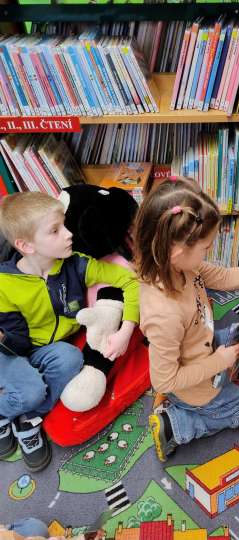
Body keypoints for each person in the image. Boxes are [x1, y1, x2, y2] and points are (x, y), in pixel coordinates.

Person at [133, 177, 239, 462]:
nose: (208, 253)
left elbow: (223, 277)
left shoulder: (182, 265)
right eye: (206, 248)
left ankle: (209, 380)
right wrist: (218, 362)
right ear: (177, 252)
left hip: (202, 345)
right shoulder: (164, 314)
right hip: (190, 387)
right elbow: (164, 379)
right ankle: (177, 424)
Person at [0, 192, 140, 472]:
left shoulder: (77, 264)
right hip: (10, 350)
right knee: (32, 389)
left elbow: (130, 280)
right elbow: (15, 341)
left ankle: (28, 417)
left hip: (47, 349)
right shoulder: (5, 282)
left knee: (71, 358)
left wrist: (126, 330)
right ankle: (5, 413)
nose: (68, 234)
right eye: (55, 230)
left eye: (64, 225)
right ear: (25, 245)